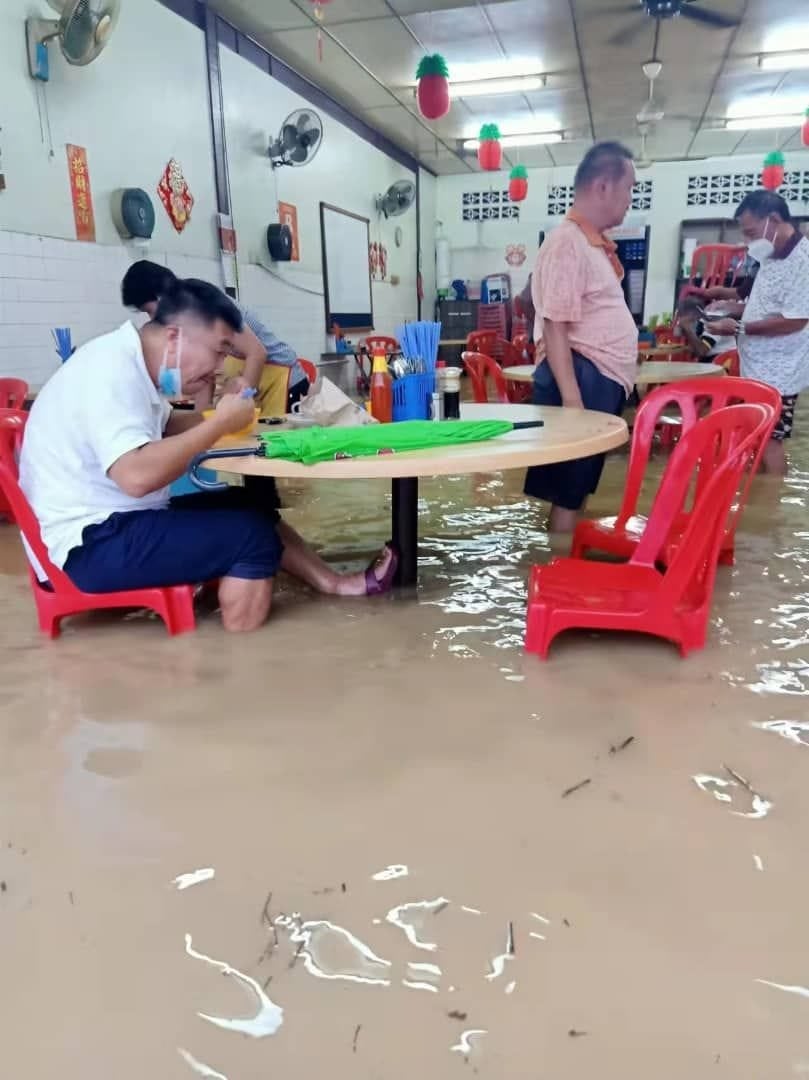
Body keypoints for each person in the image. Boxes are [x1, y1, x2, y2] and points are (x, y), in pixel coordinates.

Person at [19, 280, 398, 633]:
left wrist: (221, 416)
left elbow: (168, 426)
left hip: (108, 526)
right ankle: (239, 655)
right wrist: (218, 425)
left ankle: (332, 583)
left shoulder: (129, 364)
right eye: (218, 351)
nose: (219, 368)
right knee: (249, 536)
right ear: (174, 338)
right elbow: (135, 477)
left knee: (249, 503)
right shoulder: (110, 372)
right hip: (84, 549)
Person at [524, 141, 638, 533]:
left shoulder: (589, 244)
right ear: (604, 186)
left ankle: (562, 562)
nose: (630, 201)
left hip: (593, 379)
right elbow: (555, 323)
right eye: (629, 189)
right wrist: (574, 404)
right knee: (567, 494)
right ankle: (552, 574)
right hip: (579, 380)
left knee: (577, 490)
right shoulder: (566, 241)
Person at [121, 261, 309, 413]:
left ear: (160, 297)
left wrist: (240, 402)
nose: (153, 319)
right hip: (255, 381)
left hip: (285, 380)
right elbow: (206, 376)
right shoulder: (184, 322)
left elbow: (257, 353)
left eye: (149, 310)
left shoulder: (204, 304)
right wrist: (200, 420)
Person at [708, 191, 809, 474]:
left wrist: (738, 326)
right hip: (757, 367)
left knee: (771, 440)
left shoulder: (803, 262)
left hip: (780, 372)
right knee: (757, 434)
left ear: (774, 220)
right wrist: (732, 307)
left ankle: (772, 505)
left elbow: (795, 320)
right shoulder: (771, 256)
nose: (749, 241)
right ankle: (757, 496)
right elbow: (764, 305)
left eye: (751, 232)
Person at [677, 297, 736, 361]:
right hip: (710, 359)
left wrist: (687, 329)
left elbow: (701, 351)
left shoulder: (713, 319)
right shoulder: (698, 323)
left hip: (724, 361)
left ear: (693, 314)